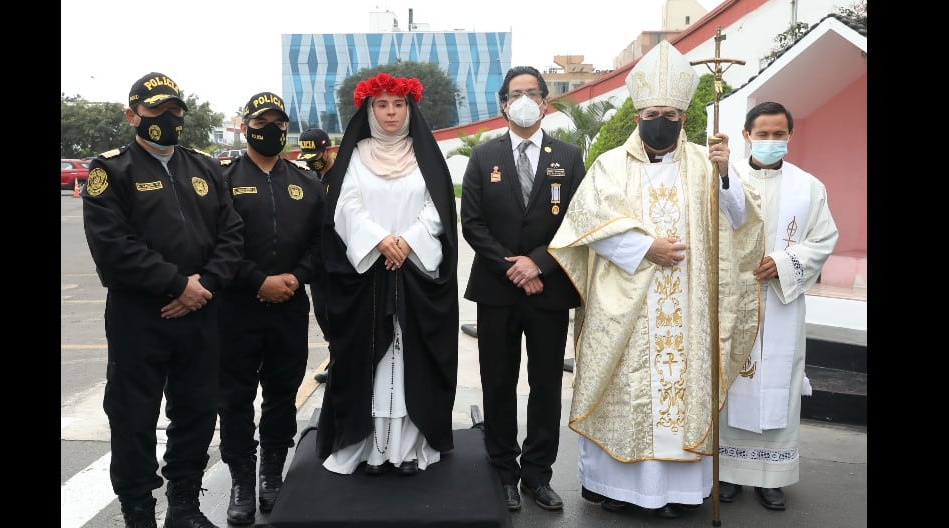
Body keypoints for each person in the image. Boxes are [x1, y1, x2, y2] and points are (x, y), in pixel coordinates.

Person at [547, 40, 765, 519]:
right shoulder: (609, 165)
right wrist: (646, 247)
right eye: (649, 113)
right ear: (638, 115)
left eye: (667, 112)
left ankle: (679, 494)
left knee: (682, 393)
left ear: (683, 117)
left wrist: (727, 175)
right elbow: (587, 224)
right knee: (624, 392)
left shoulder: (707, 164)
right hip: (626, 305)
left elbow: (740, 221)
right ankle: (617, 489)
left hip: (689, 307)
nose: (658, 121)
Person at [82, 71, 245, 528]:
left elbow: (231, 234)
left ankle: (184, 507)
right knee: (133, 416)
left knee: (197, 408)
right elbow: (114, 247)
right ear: (134, 115)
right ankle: (138, 513)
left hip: (201, 310)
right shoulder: (111, 170)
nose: (168, 120)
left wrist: (203, 286)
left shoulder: (205, 166)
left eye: (175, 111)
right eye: (157, 112)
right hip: (141, 315)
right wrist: (177, 285)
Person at [314, 72, 460, 478]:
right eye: (382, 105)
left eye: (398, 104)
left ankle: (411, 449)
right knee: (368, 364)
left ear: (409, 108)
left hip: (415, 272)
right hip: (367, 277)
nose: (391, 113)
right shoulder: (356, 154)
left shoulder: (426, 154)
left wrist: (408, 242)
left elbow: (438, 207)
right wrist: (380, 241)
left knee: (414, 362)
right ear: (369, 109)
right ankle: (368, 450)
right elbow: (346, 207)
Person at [460, 65, 586, 512]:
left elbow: (577, 222)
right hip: (496, 290)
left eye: (533, 92)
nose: (525, 99)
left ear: (546, 102)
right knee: (497, 383)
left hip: (548, 291)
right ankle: (503, 473)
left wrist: (538, 263)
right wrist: (511, 267)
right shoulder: (483, 156)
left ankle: (537, 474)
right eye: (516, 93)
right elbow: (471, 222)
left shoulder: (569, 157)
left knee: (546, 384)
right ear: (503, 104)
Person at [717, 101, 838, 511]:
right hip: (735, 299)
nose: (771, 141)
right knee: (734, 379)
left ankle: (772, 476)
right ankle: (729, 473)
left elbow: (823, 239)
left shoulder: (808, 186)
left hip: (782, 300)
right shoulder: (725, 179)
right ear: (747, 135)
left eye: (778, 134)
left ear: (790, 136)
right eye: (762, 134)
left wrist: (785, 263)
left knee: (779, 383)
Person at [217, 92, 325, 525]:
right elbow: (214, 243)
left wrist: (295, 278)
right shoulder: (220, 178)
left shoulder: (305, 182)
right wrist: (255, 280)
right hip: (236, 307)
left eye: (280, 123)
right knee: (236, 398)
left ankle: (271, 475)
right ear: (246, 126)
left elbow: (321, 245)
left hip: (290, 305)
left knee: (282, 395)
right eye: (263, 122)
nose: (273, 130)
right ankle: (242, 480)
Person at [293, 128, 336, 384]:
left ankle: (346, 362)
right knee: (322, 313)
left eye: (316, 154)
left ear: (328, 149)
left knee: (341, 314)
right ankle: (335, 358)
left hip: (341, 261)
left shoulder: (343, 176)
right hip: (317, 263)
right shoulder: (308, 178)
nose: (312, 159)